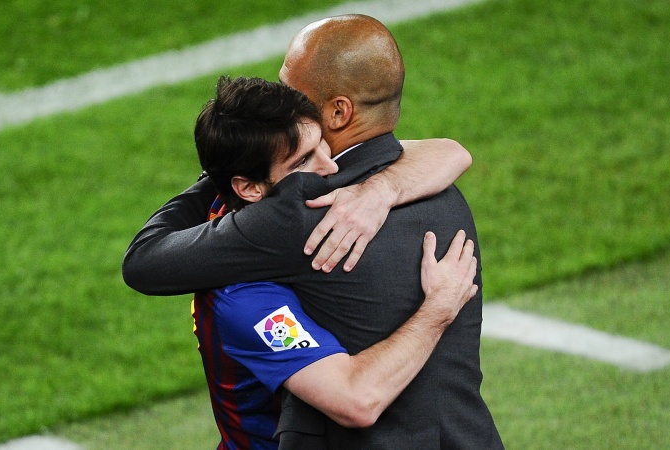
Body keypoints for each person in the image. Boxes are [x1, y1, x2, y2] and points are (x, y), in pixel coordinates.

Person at [124, 14, 503, 449]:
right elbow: (449, 151)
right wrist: (384, 186)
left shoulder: (296, 213)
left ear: (338, 111)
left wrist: (223, 166)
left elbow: (144, 263)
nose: (280, 99)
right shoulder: (444, 193)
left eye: (291, 90)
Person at [189, 76, 479, 449]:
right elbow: (358, 401)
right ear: (249, 188)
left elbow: (449, 152)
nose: (331, 167)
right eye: (304, 160)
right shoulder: (244, 297)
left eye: (321, 143)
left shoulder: (254, 208)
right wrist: (439, 308)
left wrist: (382, 188)